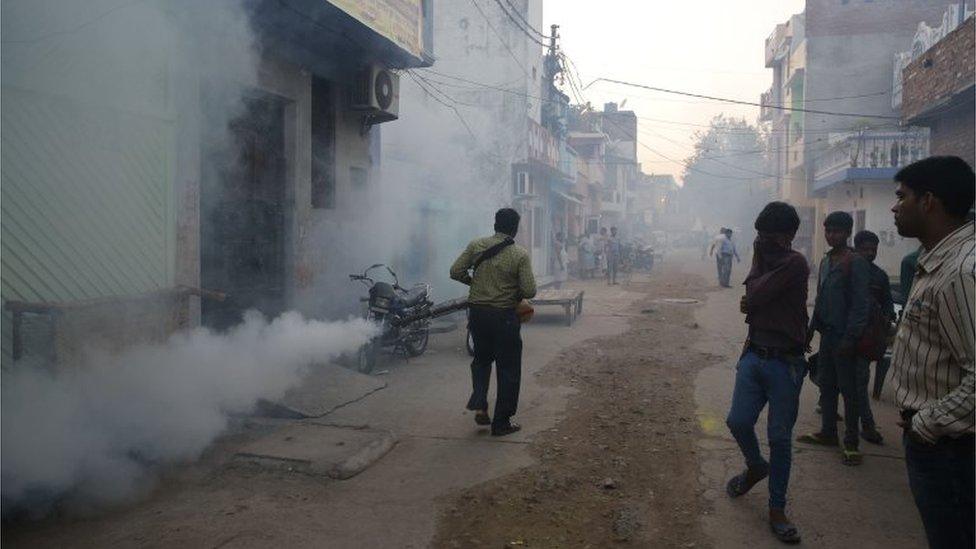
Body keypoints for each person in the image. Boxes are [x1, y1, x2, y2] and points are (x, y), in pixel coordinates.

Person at [889, 156, 974, 549]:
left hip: (950, 449)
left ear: (929, 202)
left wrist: (927, 422)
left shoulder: (961, 271)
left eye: (901, 197)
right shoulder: (937, 260)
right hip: (939, 441)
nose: (894, 206)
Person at [725, 202, 808, 544]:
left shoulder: (795, 264)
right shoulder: (766, 258)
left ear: (788, 237)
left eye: (769, 237)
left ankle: (777, 509)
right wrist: (751, 297)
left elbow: (755, 294)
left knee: (779, 439)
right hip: (754, 354)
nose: (761, 242)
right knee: (737, 421)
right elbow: (750, 295)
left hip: (785, 363)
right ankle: (756, 465)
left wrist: (752, 296)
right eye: (759, 236)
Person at [450, 208, 537, 437]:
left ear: (495, 224)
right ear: (515, 229)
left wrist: (476, 284)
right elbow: (530, 290)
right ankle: (501, 423)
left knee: (481, 361)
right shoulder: (519, 254)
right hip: (503, 317)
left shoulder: (476, 245)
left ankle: (480, 405)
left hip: (478, 314)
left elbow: (455, 271)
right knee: (508, 369)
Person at [798, 211, 870, 466]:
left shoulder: (856, 262)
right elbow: (820, 299)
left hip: (845, 338)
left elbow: (862, 306)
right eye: (828, 231)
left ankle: (851, 443)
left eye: (836, 231)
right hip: (827, 335)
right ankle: (828, 432)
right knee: (826, 385)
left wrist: (850, 339)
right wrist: (810, 328)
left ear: (847, 233)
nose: (831, 235)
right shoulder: (826, 261)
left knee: (849, 391)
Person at [852, 230, 895, 442]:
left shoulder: (880, 276)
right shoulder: (846, 269)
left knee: (860, 382)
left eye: (873, 249)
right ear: (856, 248)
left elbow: (888, 304)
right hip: (843, 335)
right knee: (830, 379)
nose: (870, 253)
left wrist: (886, 319)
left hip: (866, 339)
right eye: (865, 249)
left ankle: (867, 426)